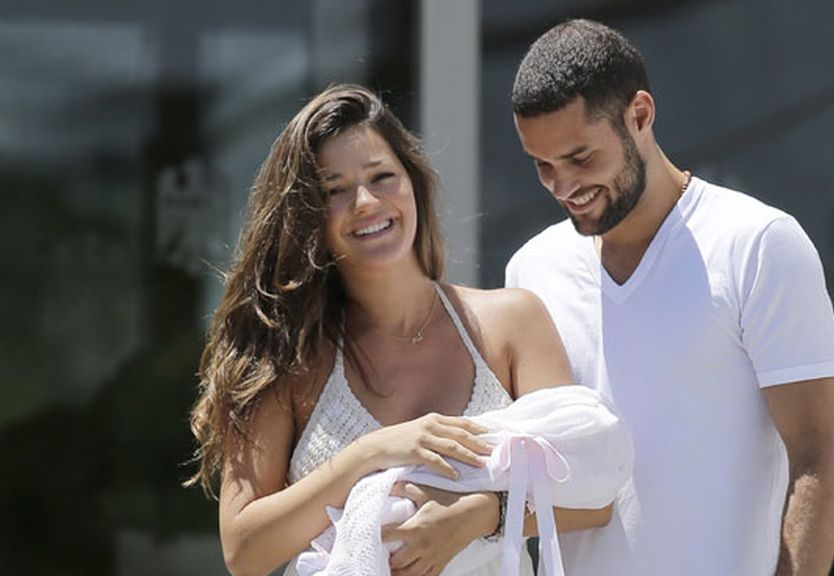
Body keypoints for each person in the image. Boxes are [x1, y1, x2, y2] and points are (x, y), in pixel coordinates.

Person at [186, 84, 611, 576]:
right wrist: (367, 455)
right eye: (334, 191)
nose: (365, 202)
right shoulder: (289, 355)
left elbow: (593, 492)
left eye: (382, 176)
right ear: (308, 219)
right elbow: (243, 550)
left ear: (413, 184)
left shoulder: (511, 322)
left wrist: (481, 515)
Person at [504, 19, 834, 575]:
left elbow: (819, 457)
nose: (562, 185)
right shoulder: (530, 271)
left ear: (639, 115)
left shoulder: (757, 245)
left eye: (580, 157)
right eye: (542, 166)